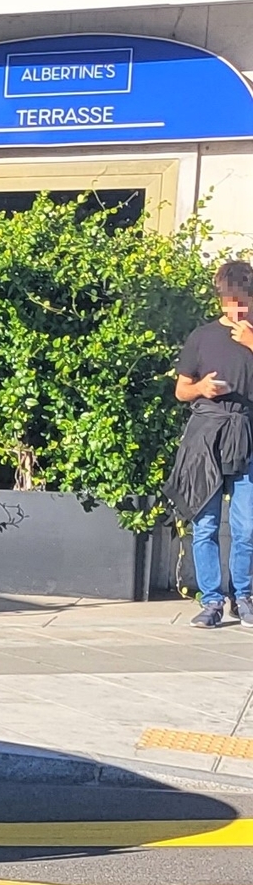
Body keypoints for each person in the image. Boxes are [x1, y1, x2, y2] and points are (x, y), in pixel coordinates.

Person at [170, 258, 253, 627]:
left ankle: (244, 596)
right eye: (229, 301)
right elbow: (181, 390)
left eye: (242, 301)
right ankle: (212, 600)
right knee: (205, 524)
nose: (236, 309)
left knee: (247, 526)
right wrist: (201, 388)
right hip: (206, 437)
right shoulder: (202, 337)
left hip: (247, 436)